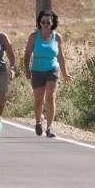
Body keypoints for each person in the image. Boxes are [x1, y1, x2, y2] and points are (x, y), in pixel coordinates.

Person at [23, 10, 72, 138]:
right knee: (39, 99)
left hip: (52, 69)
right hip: (37, 70)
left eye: (48, 22)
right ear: (39, 22)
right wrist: (27, 70)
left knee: (50, 97)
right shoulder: (33, 37)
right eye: (43, 22)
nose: (45, 24)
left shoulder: (57, 37)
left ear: (52, 23)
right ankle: (38, 122)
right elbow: (27, 54)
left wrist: (65, 73)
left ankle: (49, 128)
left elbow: (61, 57)